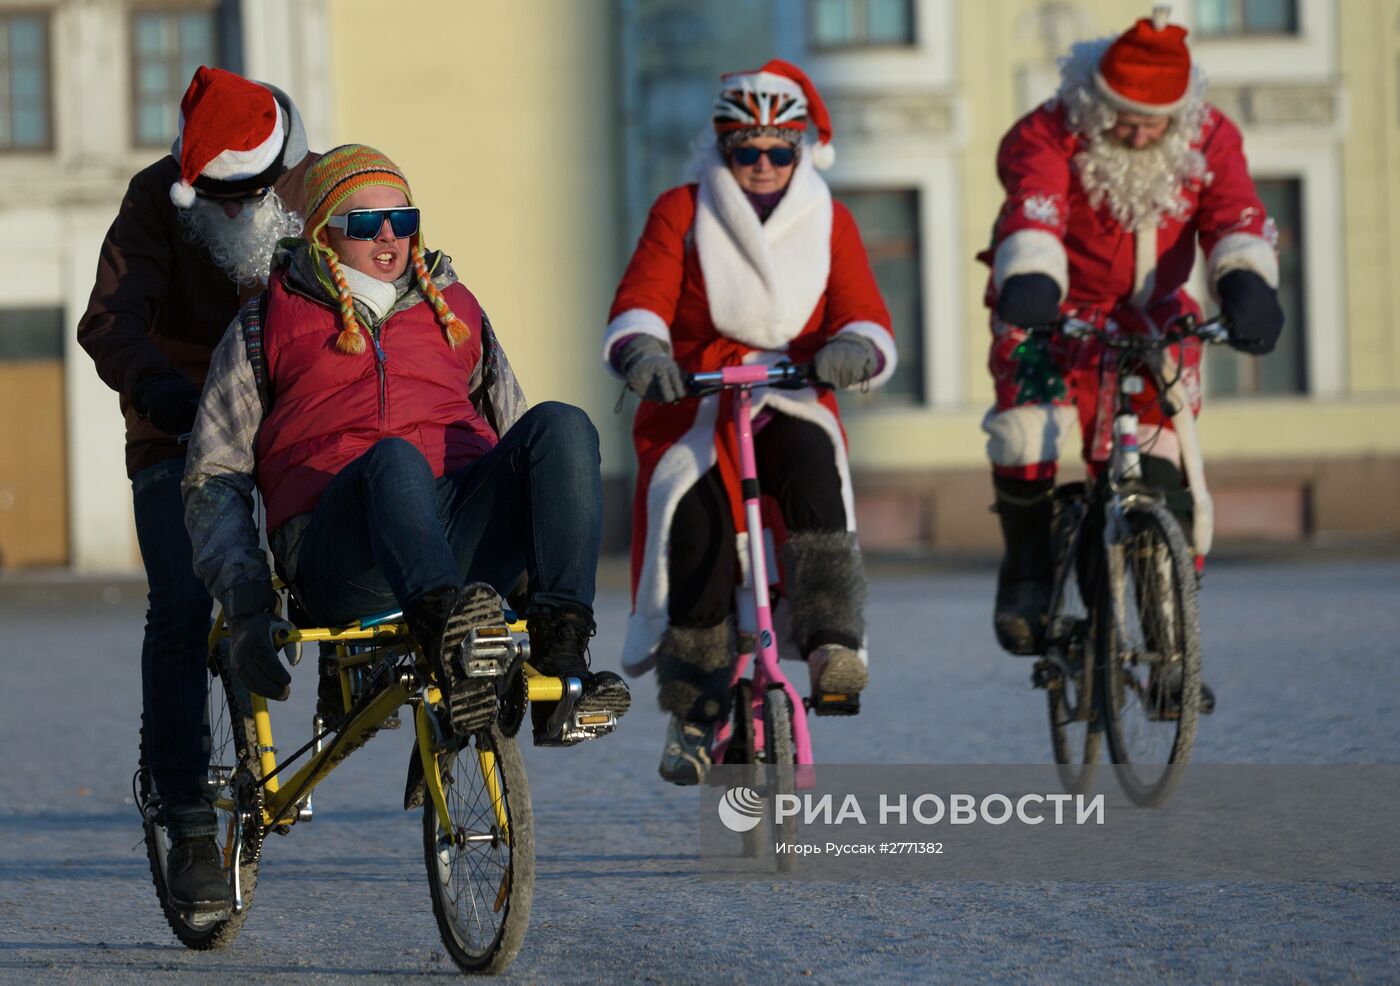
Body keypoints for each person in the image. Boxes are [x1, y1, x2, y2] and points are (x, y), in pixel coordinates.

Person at [183, 145, 630, 762]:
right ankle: (450, 643)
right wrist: (247, 599)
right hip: (345, 548)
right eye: (365, 223)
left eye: (404, 218)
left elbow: (518, 436)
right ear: (323, 233)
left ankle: (563, 664)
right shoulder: (264, 325)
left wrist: (530, 575)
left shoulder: (458, 309)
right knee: (394, 459)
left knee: (563, 425)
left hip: (456, 528)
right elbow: (216, 472)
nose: (388, 234)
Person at [979, 11, 1284, 709]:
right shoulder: (1049, 129)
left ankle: (1170, 648)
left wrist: (1245, 282)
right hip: (1053, 308)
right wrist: (1029, 274)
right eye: (1125, 119)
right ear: (1097, 101)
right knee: (1031, 432)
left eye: (1155, 123)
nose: (1140, 134)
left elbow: (1235, 212)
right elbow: (1036, 207)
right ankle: (1027, 566)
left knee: (1161, 464)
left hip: (1154, 317)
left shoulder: (1209, 137)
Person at [604, 60, 896, 785]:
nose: (763, 165)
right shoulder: (681, 209)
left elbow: (861, 306)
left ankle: (833, 641)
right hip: (695, 396)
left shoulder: (830, 217)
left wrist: (854, 348)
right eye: (746, 150)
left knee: (809, 456)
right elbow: (643, 293)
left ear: (801, 149)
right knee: (693, 510)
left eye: (779, 150)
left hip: (790, 389)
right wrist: (643, 349)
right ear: (723, 149)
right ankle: (695, 701)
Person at [77, 66, 318, 914]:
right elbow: (109, 319)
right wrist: (156, 386)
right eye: (212, 198)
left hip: (294, 423)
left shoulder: (317, 185)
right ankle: (184, 819)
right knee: (181, 605)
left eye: (245, 196)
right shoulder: (152, 201)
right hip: (176, 426)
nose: (230, 211)